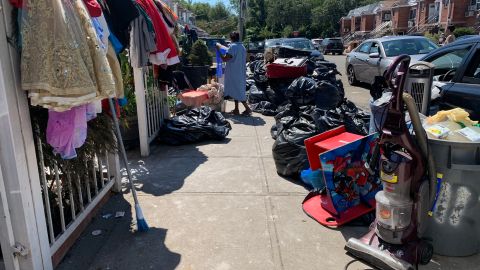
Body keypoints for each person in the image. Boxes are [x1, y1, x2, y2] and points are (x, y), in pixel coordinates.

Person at [216, 31, 252, 116]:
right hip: (240, 72)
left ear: (231, 38)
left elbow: (225, 59)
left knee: (238, 91)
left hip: (234, 72)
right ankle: (236, 109)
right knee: (237, 90)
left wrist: (219, 50)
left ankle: (248, 109)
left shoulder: (233, 47)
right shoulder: (242, 47)